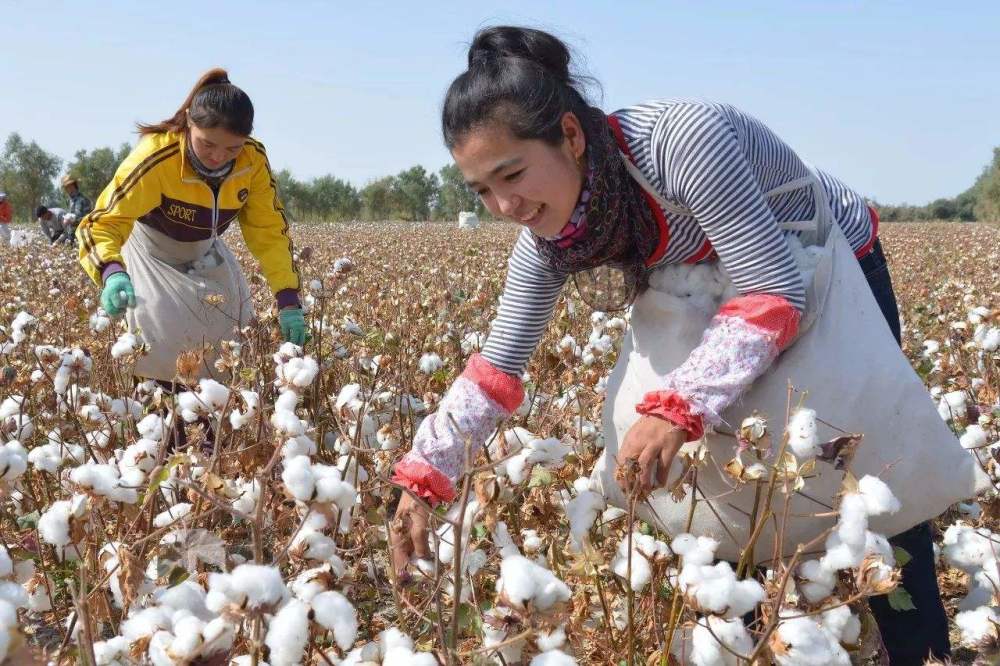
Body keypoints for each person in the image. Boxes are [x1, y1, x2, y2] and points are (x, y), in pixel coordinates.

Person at [388, 26, 948, 665]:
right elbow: (497, 367)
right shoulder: (548, 239)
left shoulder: (682, 142)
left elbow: (772, 293)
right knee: (730, 489)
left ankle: (919, 650)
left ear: (570, 135)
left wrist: (675, 407)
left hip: (825, 266)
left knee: (872, 473)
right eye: (481, 190)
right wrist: (425, 478)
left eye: (511, 173)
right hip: (719, 285)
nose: (504, 204)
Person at [75, 67, 307, 387]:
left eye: (232, 148)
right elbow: (102, 223)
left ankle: (212, 416)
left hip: (204, 247)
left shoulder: (252, 161)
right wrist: (112, 272)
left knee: (230, 330)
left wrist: (287, 298)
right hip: (150, 249)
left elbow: (268, 232)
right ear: (188, 121)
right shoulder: (157, 156)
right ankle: (163, 414)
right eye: (207, 144)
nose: (218, 157)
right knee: (157, 330)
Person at [62, 175, 93, 241]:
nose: (66, 190)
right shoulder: (69, 201)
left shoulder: (83, 200)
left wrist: (72, 220)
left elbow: (87, 218)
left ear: (72, 186)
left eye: (67, 187)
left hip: (83, 234)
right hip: (72, 235)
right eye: (66, 188)